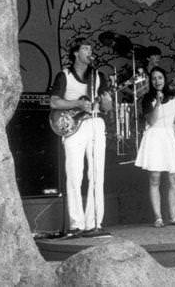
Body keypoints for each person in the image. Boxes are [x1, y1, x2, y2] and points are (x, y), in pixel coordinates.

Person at [49, 40, 114, 234]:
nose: (90, 52)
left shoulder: (98, 76)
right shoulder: (65, 76)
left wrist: (108, 101)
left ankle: (94, 223)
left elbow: (107, 107)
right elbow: (54, 102)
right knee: (74, 175)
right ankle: (76, 223)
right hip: (73, 127)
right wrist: (77, 103)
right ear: (75, 53)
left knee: (96, 175)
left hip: (95, 122)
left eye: (91, 49)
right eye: (85, 49)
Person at [134, 67, 175, 228]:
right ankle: (158, 217)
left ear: (165, 79)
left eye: (160, 78)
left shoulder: (173, 96)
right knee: (155, 177)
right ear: (151, 82)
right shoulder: (146, 98)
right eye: (154, 78)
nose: (157, 81)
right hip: (154, 137)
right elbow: (151, 121)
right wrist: (157, 101)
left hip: (169, 136)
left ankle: (173, 215)